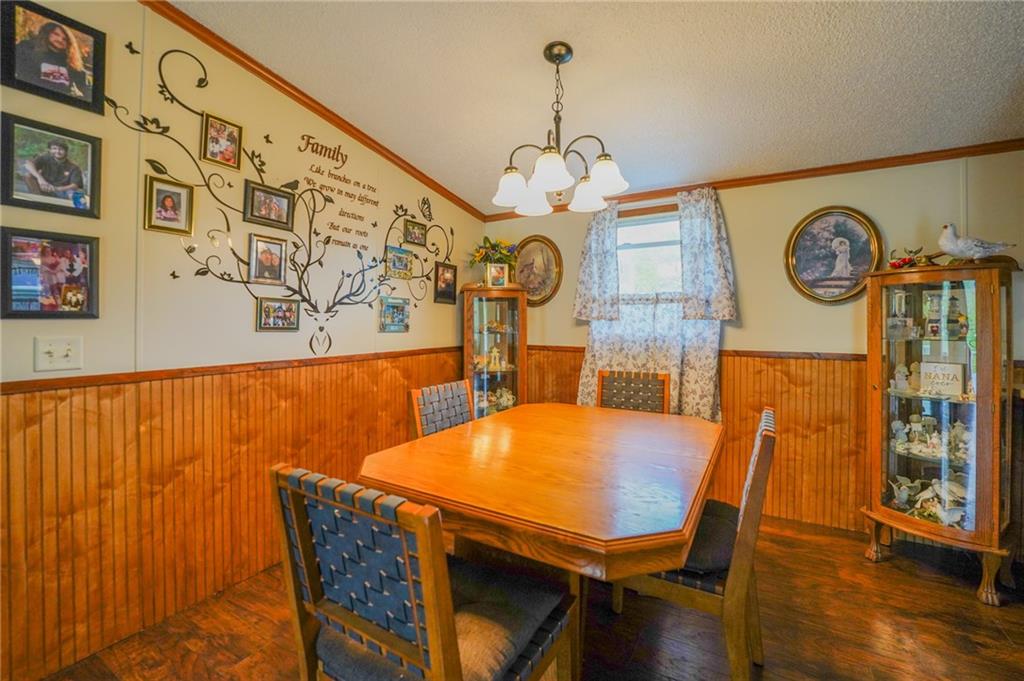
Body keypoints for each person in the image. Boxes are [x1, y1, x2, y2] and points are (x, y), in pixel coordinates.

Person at [14, 21, 91, 100]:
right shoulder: (27, 49)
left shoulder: (71, 63)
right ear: (47, 33)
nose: (60, 39)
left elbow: (87, 89)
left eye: (64, 39)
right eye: (56, 34)